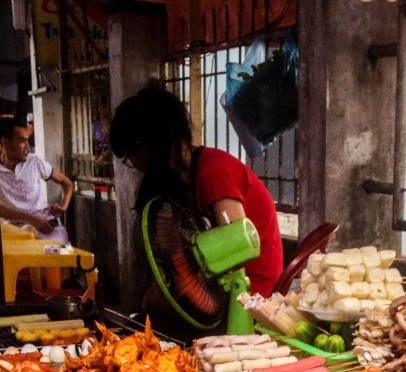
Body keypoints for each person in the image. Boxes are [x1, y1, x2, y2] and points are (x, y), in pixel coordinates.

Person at [109, 87, 283, 296]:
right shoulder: (186, 178)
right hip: (225, 287)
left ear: (143, 148)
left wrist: (185, 277)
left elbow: (238, 246)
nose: (135, 166)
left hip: (254, 291)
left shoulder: (213, 171)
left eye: (130, 158)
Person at [0, 115, 73, 243]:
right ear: (5, 142)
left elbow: (66, 183)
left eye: (28, 141)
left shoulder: (34, 162)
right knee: (25, 235)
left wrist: (63, 206)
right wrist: (31, 219)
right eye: (22, 141)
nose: (27, 147)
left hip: (47, 225)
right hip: (14, 229)